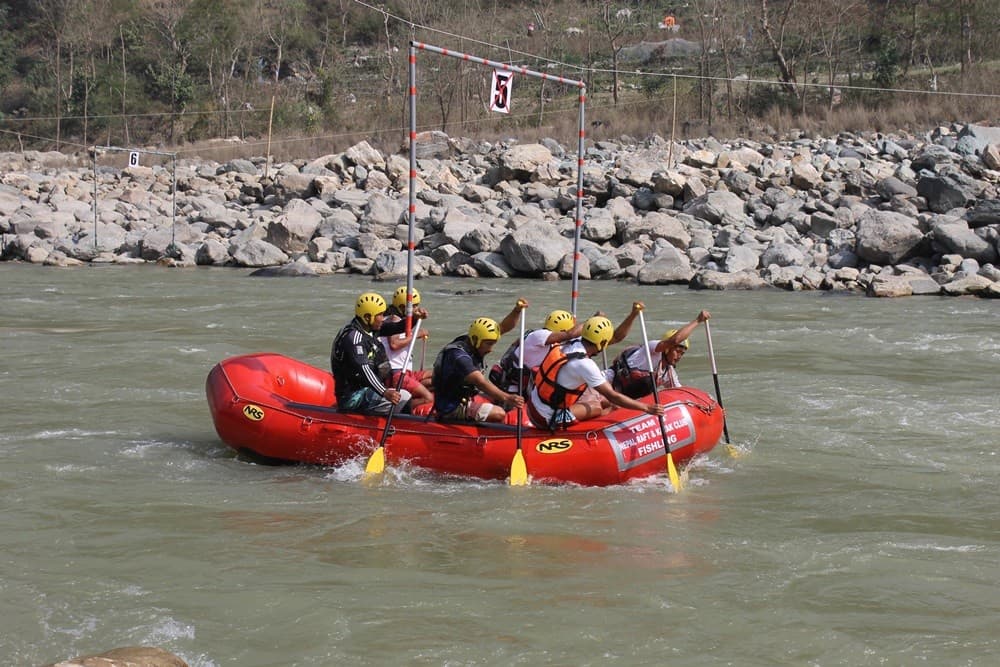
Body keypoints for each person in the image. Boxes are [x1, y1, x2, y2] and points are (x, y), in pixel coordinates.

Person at [527, 315, 665, 430]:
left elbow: (616, 337)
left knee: (601, 399)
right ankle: (592, 431)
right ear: (603, 342)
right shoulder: (585, 364)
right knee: (598, 407)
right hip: (545, 417)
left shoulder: (571, 342)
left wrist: (632, 314)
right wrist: (646, 408)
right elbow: (613, 396)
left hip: (534, 403)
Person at [330, 291, 427, 415]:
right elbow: (364, 370)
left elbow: (397, 327)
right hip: (352, 396)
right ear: (367, 317)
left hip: (367, 389)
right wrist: (384, 392)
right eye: (380, 315)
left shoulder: (370, 328)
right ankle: (403, 426)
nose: (383, 318)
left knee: (402, 395)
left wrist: (414, 318)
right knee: (404, 397)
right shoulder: (354, 338)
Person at [432, 300, 528, 423]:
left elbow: (504, 327)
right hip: (451, 407)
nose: (491, 349)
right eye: (489, 344)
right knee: (499, 413)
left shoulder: (473, 340)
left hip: (465, 397)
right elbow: (479, 381)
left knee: (499, 400)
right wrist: (507, 397)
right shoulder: (459, 356)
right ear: (476, 339)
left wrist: (517, 311)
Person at [608, 310, 711, 398]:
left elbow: (680, 392)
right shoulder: (652, 350)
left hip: (624, 398)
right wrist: (698, 320)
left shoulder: (668, 372)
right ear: (666, 349)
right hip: (608, 384)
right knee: (648, 382)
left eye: (682, 354)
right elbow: (675, 340)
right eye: (677, 352)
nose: (679, 357)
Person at [382, 286, 433, 410]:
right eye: (413, 306)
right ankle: (404, 409)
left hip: (406, 373)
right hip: (396, 374)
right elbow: (394, 344)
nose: (416, 308)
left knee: (436, 375)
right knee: (428, 398)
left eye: (417, 305)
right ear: (402, 307)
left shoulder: (404, 321)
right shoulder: (393, 319)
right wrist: (417, 335)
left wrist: (415, 320)